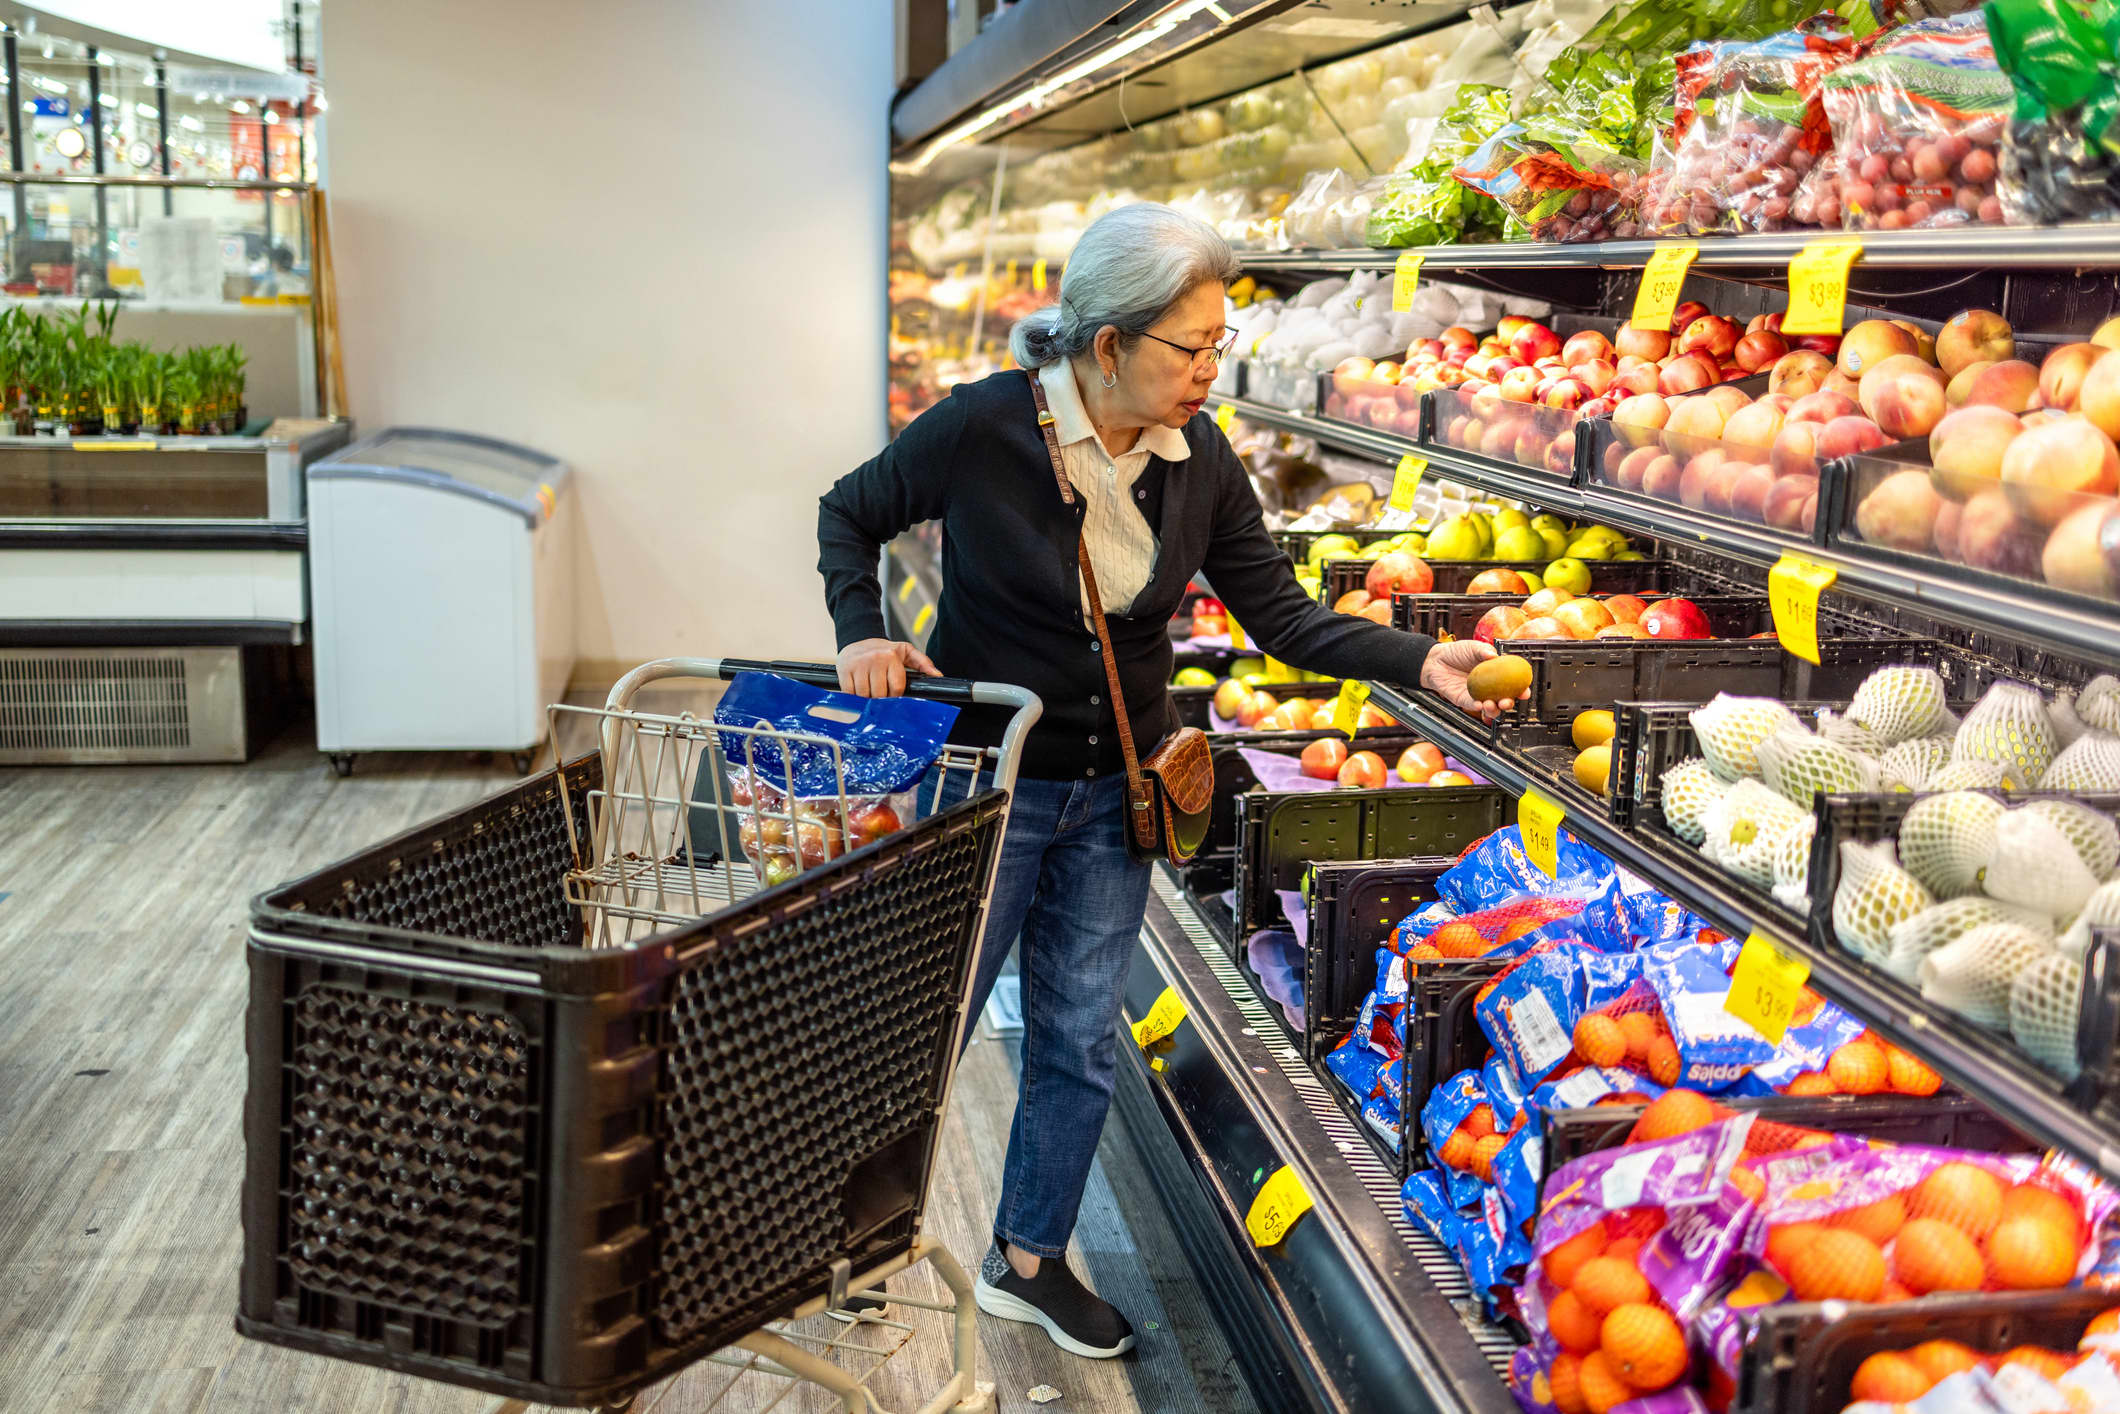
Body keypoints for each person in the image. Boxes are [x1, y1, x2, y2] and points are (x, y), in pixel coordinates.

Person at [816, 202, 1508, 1360]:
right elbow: (849, 512)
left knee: (1079, 1036)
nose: (1207, 371)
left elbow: (1281, 619)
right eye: (1190, 348)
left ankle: (1027, 1258)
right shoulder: (984, 427)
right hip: (986, 790)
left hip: (1117, 795)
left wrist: (1413, 659)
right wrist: (861, 631)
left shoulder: (1201, 461)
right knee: (919, 1019)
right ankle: (847, 1239)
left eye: (1215, 346)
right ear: (1107, 344)